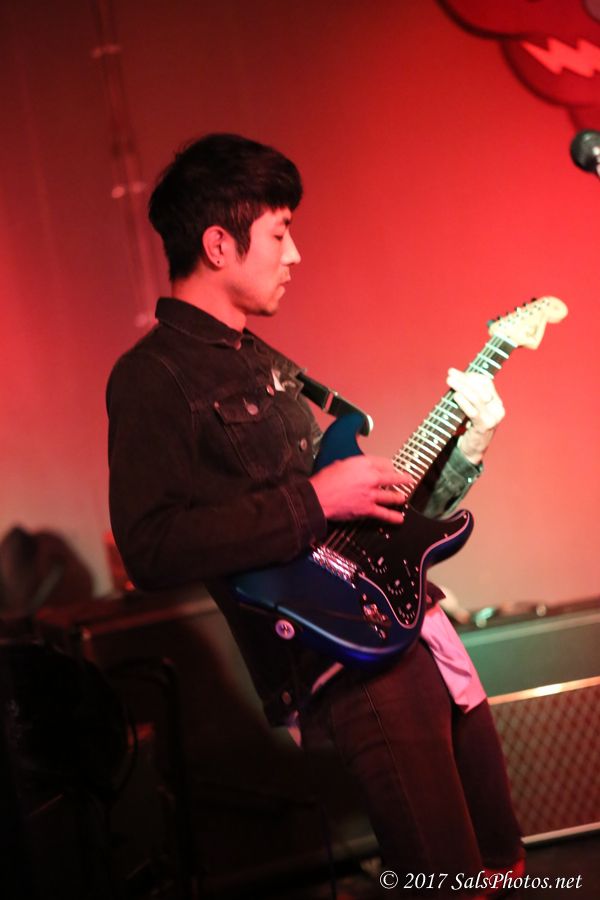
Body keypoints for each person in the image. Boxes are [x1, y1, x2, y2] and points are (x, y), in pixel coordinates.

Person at [107, 133, 523, 896]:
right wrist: (316, 499)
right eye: (280, 233)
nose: (295, 254)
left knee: (503, 866)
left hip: (419, 631)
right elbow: (151, 546)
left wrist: (467, 448)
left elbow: (364, 523)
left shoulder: (269, 363)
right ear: (219, 245)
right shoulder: (151, 377)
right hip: (348, 665)